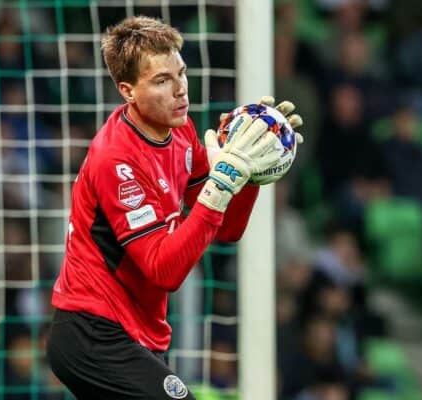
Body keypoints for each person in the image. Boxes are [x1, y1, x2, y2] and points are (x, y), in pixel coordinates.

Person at [45, 16, 303, 400]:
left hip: (139, 334)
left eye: (181, 73)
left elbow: (225, 228)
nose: (181, 89)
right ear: (127, 90)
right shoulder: (116, 160)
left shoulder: (179, 130)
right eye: (162, 81)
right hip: (91, 333)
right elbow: (164, 270)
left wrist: (247, 176)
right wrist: (221, 185)